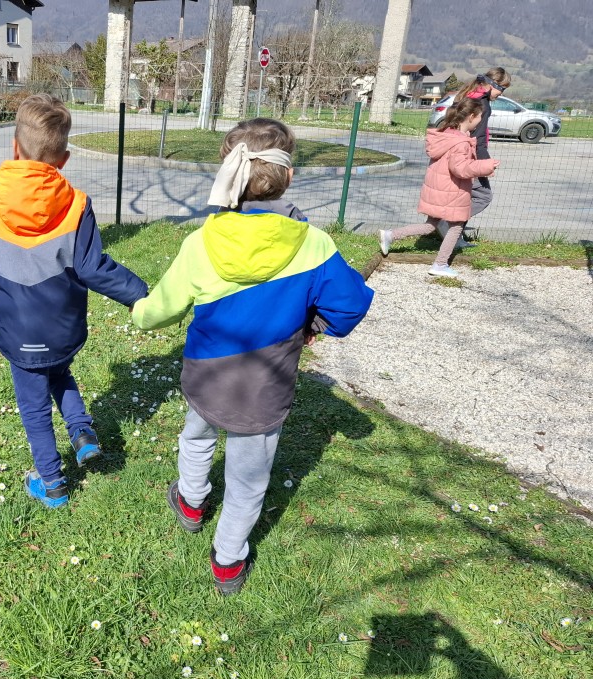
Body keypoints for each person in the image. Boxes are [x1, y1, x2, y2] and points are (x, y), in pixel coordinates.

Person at [131, 119, 373, 596]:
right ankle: (228, 560)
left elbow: (159, 310)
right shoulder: (315, 244)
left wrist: (140, 313)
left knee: (196, 436)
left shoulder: (201, 242)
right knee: (248, 480)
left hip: (207, 376)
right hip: (265, 389)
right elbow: (349, 308)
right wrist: (312, 325)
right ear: (290, 177)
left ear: (229, 175)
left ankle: (191, 502)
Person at [0, 94, 148, 509]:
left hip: (17, 327)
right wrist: (139, 294)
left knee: (34, 406)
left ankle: (51, 482)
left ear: (15, 146)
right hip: (62, 324)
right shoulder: (77, 204)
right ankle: (82, 434)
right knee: (59, 371)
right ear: (63, 159)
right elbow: (92, 267)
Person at [378, 98, 499, 278]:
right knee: (456, 225)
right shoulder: (461, 143)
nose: (481, 120)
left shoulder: (447, 135)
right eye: (480, 116)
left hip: (440, 188)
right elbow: (460, 169)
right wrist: (486, 166)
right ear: (471, 117)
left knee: (431, 225)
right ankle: (440, 264)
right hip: (451, 190)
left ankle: (389, 235)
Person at [441, 67, 511, 247]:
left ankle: (453, 235)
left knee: (464, 196)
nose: (501, 93)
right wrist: (485, 164)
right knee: (483, 196)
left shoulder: (468, 94)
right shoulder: (482, 104)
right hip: (470, 156)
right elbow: (478, 138)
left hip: (456, 150)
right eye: (502, 89)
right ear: (493, 85)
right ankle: (447, 225)